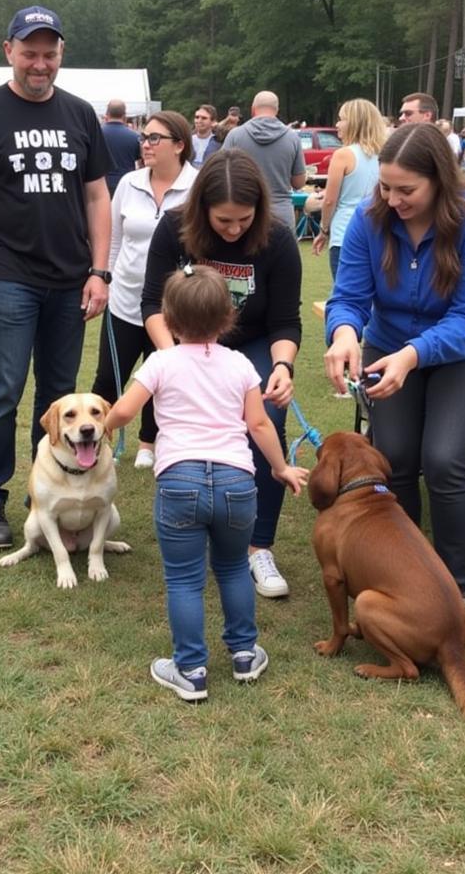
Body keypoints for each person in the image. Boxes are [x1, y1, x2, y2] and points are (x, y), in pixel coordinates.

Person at [324, 123, 465, 602]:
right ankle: (401, 577)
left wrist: (413, 354)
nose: (393, 199)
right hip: (390, 348)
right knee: (396, 459)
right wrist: (344, 331)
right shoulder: (371, 220)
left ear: (440, 181)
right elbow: (347, 296)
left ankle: (455, 587)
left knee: (445, 459)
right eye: (385, 187)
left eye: (406, 190)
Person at [0, 4, 112, 549]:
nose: (39, 64)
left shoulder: (81, 114)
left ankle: (46, 494)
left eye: (49, 53)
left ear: (61, 54)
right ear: (9, 51)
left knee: (62, 396)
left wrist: (100, 271)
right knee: (2, 389)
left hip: (71, 279)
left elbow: (96, 195)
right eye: (29, 53)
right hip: (8, 274)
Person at [106, 264, 307, 701]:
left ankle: (191, 669)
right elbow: (258, 424)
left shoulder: (160, 362)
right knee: (234, 567)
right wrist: (280, 468)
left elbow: (124, 412)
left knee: (183, 579)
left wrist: (104, 424)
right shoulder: (240, 366)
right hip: (237, 481)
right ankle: (244, 654)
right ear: (227, 319)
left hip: (179, 480)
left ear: (169, 320)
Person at [142, 149, 303, 599]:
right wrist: (174, 358)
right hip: (185, 338)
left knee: (265, 421)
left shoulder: (278, 238)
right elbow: (152, 304)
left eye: (243, 220)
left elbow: (285, 321)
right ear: (201, 211)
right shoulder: (173, 227)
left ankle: (258, 546)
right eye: (223, 221)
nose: (234, 230)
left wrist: (283, 366)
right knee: (189, 427)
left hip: (251, 341)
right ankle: (189, 530)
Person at [90, 110, 197, 470]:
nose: (146, 144)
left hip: (174, 309)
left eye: (155, 138)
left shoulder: (198, 187)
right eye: (144, 137)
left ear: (179, 145)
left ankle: (149, 442)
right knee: (109, 376)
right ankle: (96, 441)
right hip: (124, 300)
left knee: (161, 377)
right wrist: (106, 279)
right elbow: (117, 241)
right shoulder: (128, 183)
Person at [312, 98, 385, 278]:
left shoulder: (343, 155)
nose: (337, 124)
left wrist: (323, 230)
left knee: (345, 295)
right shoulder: (386, 154)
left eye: (341, 119)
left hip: (345, 233)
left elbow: (330, 200)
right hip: (379, 233)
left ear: (354, 122)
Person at [221, 91, 306, 228]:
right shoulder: (292, 138)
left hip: (244, 213)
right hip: (281, 214)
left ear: (253, 109)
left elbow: (220, 172)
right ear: (277, 110)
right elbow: (299, 183)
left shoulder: (235, 136)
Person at [101, 99, 141, 195]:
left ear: (107, 114)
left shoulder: (96, 135)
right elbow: (141, 163)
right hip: (127, 184)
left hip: (102, 184)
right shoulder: (135, 137)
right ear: (124, 116)